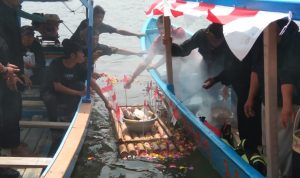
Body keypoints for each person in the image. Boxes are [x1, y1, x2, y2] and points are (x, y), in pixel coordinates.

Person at [244, 19, 299, 177]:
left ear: (280, 27)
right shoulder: (264, 37)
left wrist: (287, 105)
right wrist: (250, 98)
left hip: (285, 105)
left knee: (283, 149)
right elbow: (256, 69)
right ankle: (271, 173)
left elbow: (288, 72)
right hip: (267, 101)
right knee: (268, 144)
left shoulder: (293, 39)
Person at [202, 35, 264, 175]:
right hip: (243, 95)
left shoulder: (253, 44)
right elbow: (232, 70)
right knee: (245, 132)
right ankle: (250, 159)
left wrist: (250, 98)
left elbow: (254, 72)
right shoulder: (236, 45)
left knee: (252, 133)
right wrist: (216, 80)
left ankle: (255, 166)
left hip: (251, 97)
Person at [124, 15, 187, 89]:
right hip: (174, 62)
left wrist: (156, 65)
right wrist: (132, 78)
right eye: (159, 28)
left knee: (177, 61)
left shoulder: (179, 32)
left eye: (163, 28)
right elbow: (146, 61)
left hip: (186, 58)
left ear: (170, 27)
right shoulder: (158, 41)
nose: (161, 31)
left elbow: (174, 54)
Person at [41, 39, 86, 123]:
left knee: (80, 85)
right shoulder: (56, 63)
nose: (83, 55)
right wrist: (79, 93)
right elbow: (57, 87)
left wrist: (105, 101)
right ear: (73, 55)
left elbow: (90, 80)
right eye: (81, 53)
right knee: (50, 99)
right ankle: (54, 125)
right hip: (51, 91)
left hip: (65, 91)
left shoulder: (79, 66)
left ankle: (69, 117)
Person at [71, 5, 143, 43]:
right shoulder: (85, 22)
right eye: (97, 17)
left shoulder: (102, 26)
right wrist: (91, 27)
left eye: (101, 18)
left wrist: (136, 35)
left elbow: (119, 31)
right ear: (92, 17)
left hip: (88, 47)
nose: (99, 19)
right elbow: (81, 35)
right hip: (75, 44)